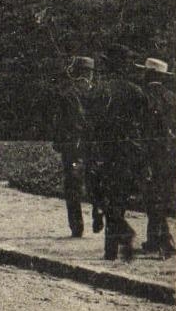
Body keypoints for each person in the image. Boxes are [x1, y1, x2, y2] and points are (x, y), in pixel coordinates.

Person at [89, 45, 147, 261]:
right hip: (128, 152)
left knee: (104, 197)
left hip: (104, 151)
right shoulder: (136, 92)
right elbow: (144, 125)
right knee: (118, 199)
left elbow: (90, 124)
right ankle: (113, 246)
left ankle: (116, 243)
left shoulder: (99, 91)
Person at [49, 55, 100, 237]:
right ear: (91, 74)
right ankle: (98, 211)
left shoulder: (68, 94)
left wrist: (59, 142)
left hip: (74, 147)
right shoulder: (98, 93)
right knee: (96, 180)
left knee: (72, 186)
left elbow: (61, 122)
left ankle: (77, 226)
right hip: (95, 145)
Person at [139, 57, 176, 259]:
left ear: (149, 74)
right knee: (160, 196)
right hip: (170, 156)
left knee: (152, 198)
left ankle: (165, 241)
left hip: (148, 155)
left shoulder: (142, 97)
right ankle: (153, 239)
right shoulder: (174, 99)